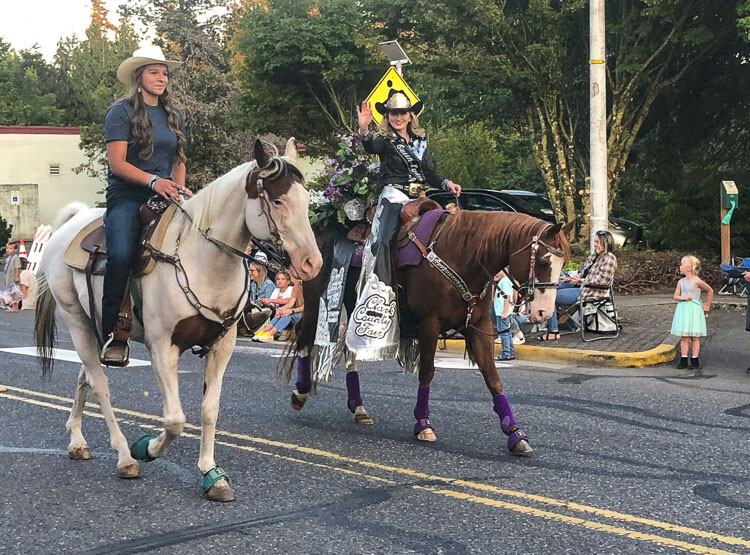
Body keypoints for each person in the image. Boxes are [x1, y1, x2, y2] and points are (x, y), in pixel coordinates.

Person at [346, 91, 462, 357]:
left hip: (420, 196)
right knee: (383, 241)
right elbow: (370, 147)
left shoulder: (421, 140)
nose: (398, 117)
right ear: (387, 116)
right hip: (394, 195)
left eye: (402, 113)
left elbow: (429, 172)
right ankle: (381, 294)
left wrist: (446, 184)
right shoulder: (384, 140)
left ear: (411, 115)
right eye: (393, 113)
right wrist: (364, 129)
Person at [100, 45, 189, 365]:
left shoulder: (174, 115)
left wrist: (177, 186)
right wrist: (153, 181)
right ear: (139, 77)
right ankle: (112, 331)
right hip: (128, 197)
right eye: (154, 72)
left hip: (167, 195)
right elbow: (117, 164)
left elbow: (178, 159)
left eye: (164, 72)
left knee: (204, 238)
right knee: (122, 254)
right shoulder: (120, 112)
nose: (161, 77)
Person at [540, 230, 617, 341]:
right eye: (594, 241)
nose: (594, 245)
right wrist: (570, 278)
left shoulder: (609, 258)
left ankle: (553, 331)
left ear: (606, 243)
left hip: (590, 292)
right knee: (552, 285)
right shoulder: (594, 256)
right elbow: (583, 272)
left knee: (551, 296)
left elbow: (601, 281)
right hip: (581, 286)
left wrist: (579, 281)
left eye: (597, 242)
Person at [671, 255, 713, 369]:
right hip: (683, 309)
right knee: (684, 336)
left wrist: (707, 305)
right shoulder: (681, 282)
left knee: (694, 336)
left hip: (694, 309)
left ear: (689, 268)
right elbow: (675, 295)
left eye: (682, 265)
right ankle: (684, 359)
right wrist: (682, 298)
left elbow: (710, 290)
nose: (679, 267)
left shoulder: (697, 281)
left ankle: (695, 359)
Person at [253, 270, 295, 341]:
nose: (280, 281)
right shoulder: (276, 290)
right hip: (280, 312)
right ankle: (264, 331)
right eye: (278, 279)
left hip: (293, 312)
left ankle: (270, 334)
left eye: (282, 279)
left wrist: (270, 300)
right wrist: (265, 302)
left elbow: (287, 301)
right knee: (277, 312)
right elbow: (271, 304)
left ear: (288, 282)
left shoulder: (290, 289)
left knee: (284, 313)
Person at [493, 270, 515, 361]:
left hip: (502, 312)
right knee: (507, 332)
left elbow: (507, 297)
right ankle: (510, 352)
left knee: (504, 333)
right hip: (501, 311)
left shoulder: (505, 281)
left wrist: (505, 312)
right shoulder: (503, 281)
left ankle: (506, 353)